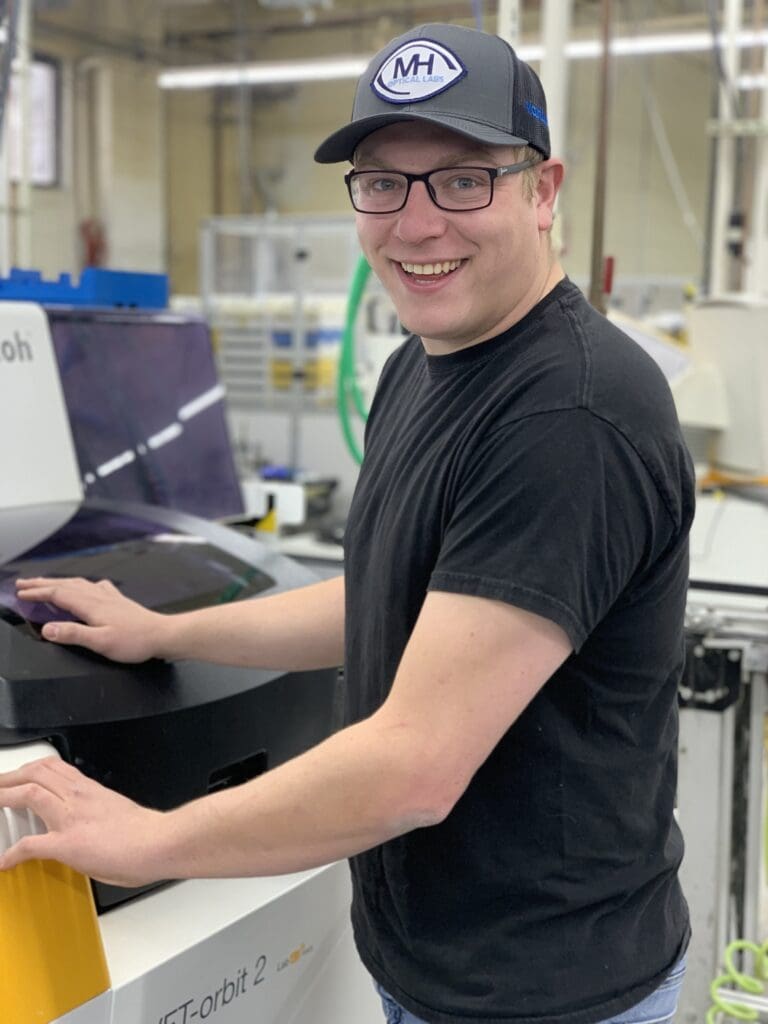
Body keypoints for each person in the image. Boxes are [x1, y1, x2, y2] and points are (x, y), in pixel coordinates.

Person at [0, 22, 693, 1024]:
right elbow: (386, 596)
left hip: (550, 992)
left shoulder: (570, 416)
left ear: (544, 192)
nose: (415, 225)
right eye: (383, 182)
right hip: (434, 961)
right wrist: (165, 631)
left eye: (462, 179)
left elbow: (413, 765)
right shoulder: (423, 365)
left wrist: (146, 836)